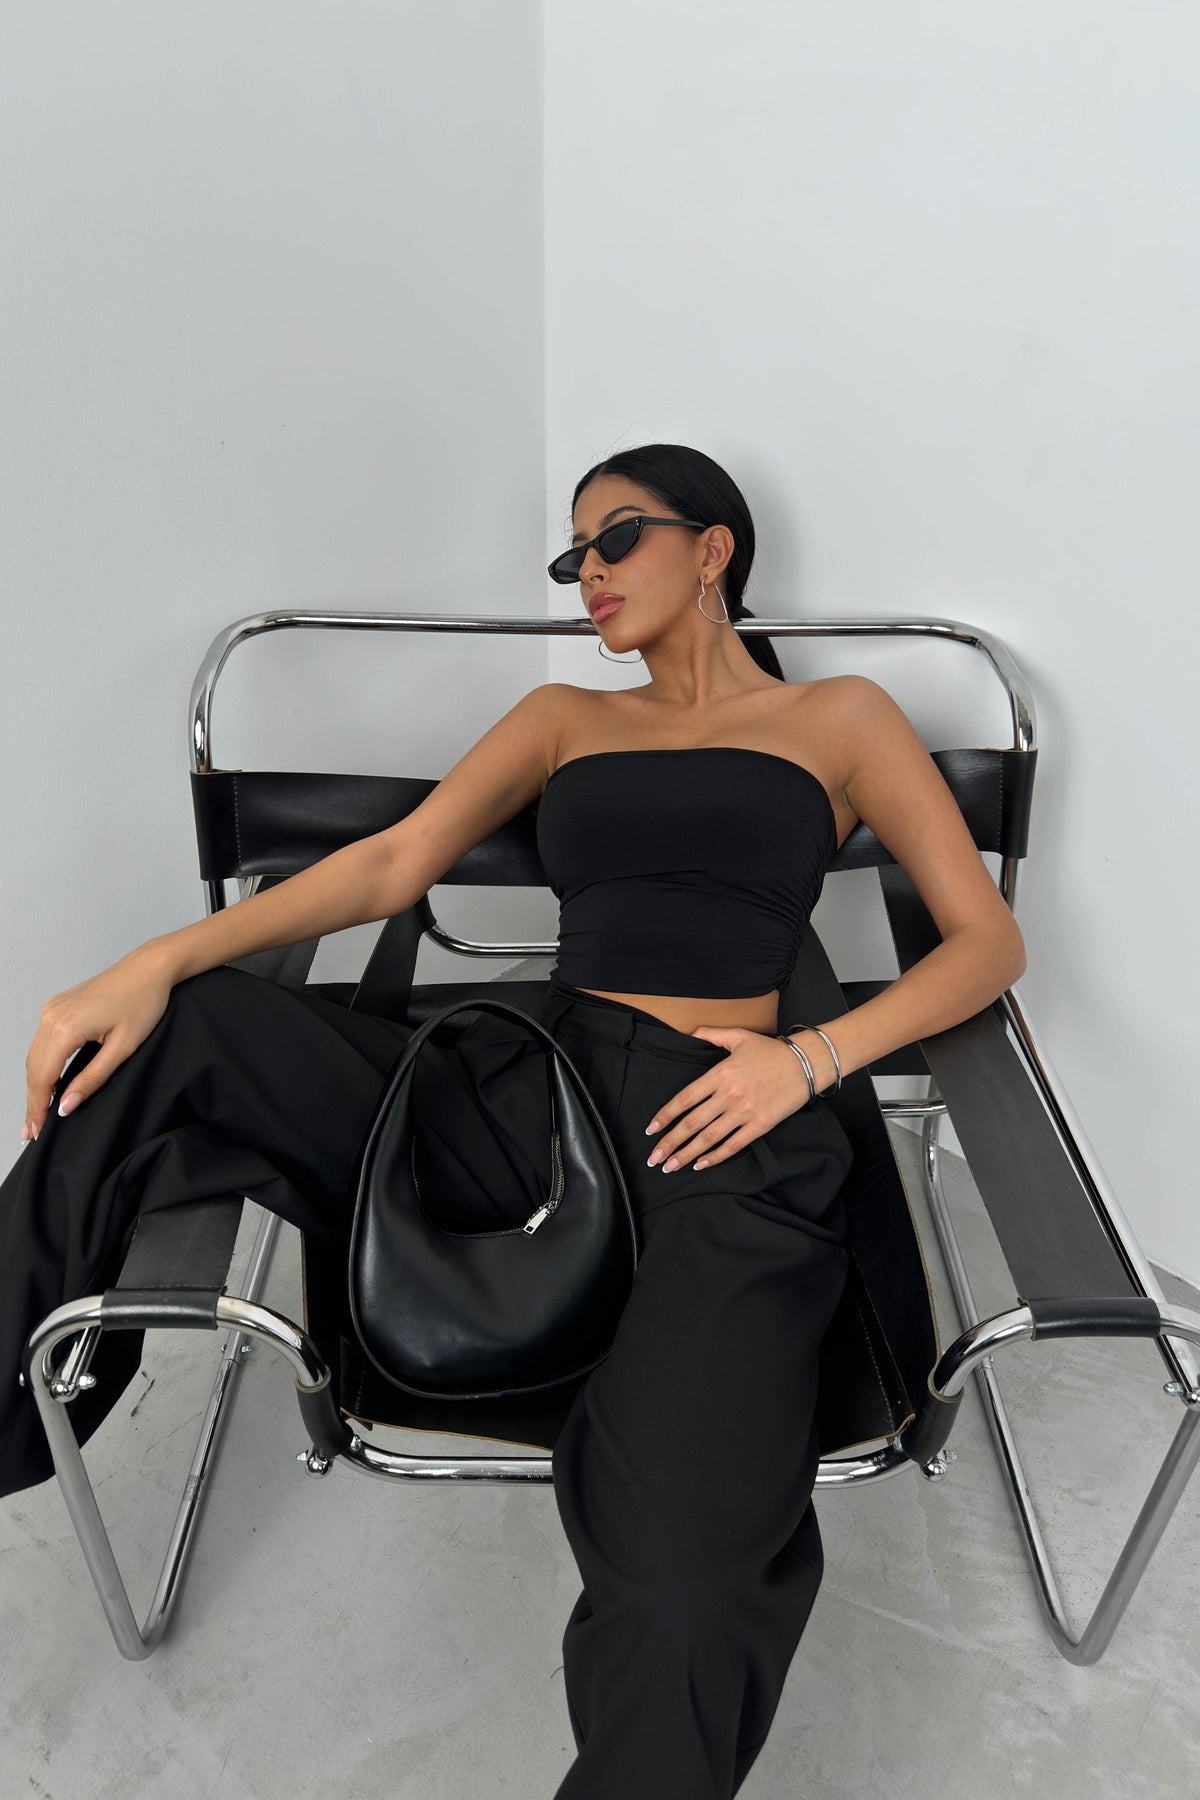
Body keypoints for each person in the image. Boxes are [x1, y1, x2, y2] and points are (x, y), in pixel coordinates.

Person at [2, 442, 1025, 1798]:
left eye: (617, 538)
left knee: (688, 1581)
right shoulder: (563, 719)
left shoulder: (839, 717)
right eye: (571, 553)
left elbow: (986, 943)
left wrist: (809, 1059)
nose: (585, 572)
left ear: (714, 549)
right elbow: (391, 864)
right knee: (178, 1033)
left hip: (733, 1120)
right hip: (531, 1094)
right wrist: (149, 962)